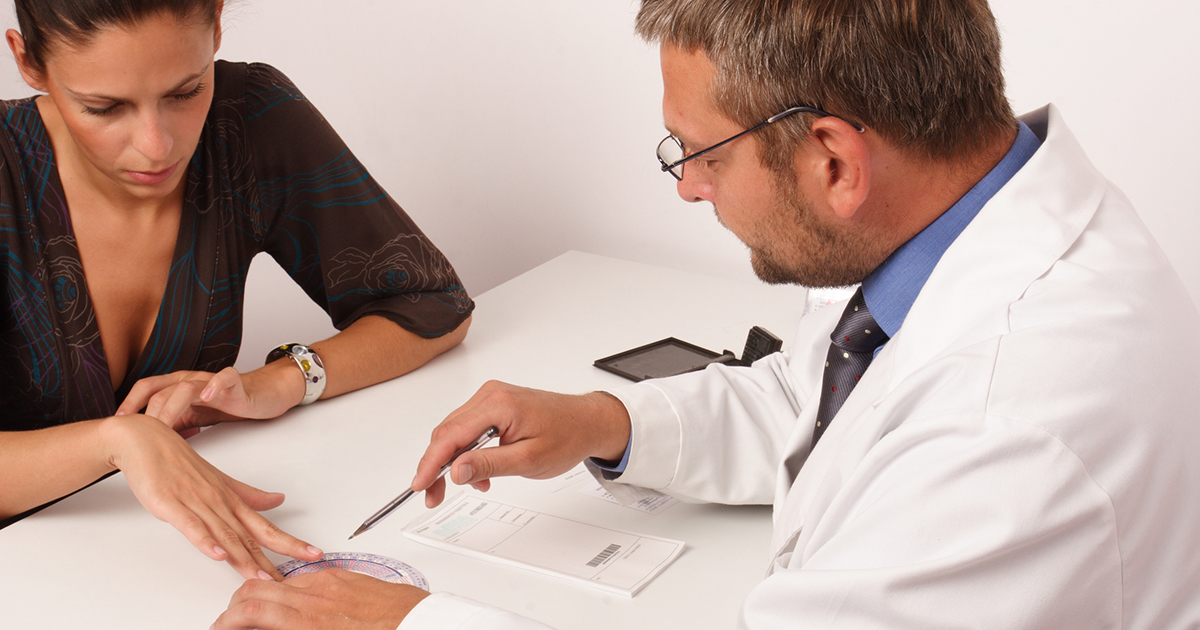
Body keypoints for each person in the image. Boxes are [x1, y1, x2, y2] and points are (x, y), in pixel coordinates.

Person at [214, 0, 1200, 628]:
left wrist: (406, 622)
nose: (687, 187)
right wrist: (608, 423)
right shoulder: (953, 226)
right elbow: (818, 397)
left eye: (702, 153)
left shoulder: (1012, 418)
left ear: (834, 161)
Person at [0, 0, 473, 581]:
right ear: (28, 61)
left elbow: (432, 304)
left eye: (185, 92)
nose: (156, 144)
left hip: (161, 567)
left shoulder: (246, 118)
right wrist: (118, 441)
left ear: (218, 23)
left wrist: (280, 382)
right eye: (104, 107)